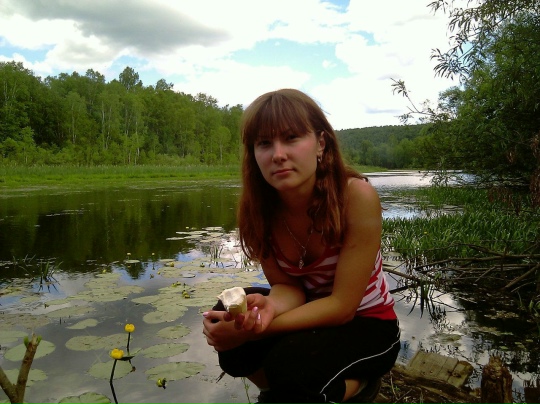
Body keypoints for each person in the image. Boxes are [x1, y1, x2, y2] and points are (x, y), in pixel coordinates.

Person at [203, 89, 400, 404]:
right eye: (264, 143)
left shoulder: (356, 197)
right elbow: (288, 288)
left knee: (291, 365)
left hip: (368, 323)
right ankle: (279, 394)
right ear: (253, 154)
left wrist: (257, 329)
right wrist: (267, 309)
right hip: (309, 308)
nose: (278, 154)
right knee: (226, 317)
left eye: (291, 138)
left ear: (321, 143)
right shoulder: (258, 211)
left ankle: (358, 386)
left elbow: (342, 307)